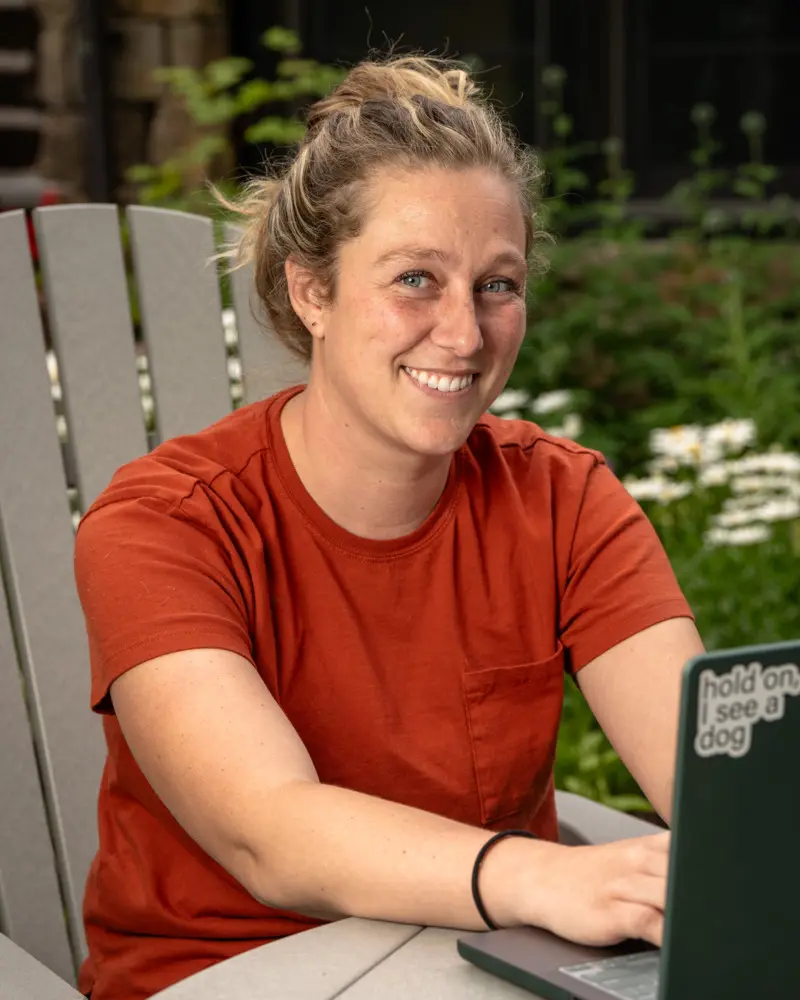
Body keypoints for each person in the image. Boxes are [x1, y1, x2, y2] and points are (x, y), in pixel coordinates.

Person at [73, 54, 704, 1000]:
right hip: (223, 976)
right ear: (311, 292)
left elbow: (710, 782)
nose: (463, 334)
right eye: (416, 278)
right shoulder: (165, 528)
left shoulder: (563, 501)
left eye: (497, 284)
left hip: (489, 970)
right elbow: (271, 832)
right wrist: (540, 875)